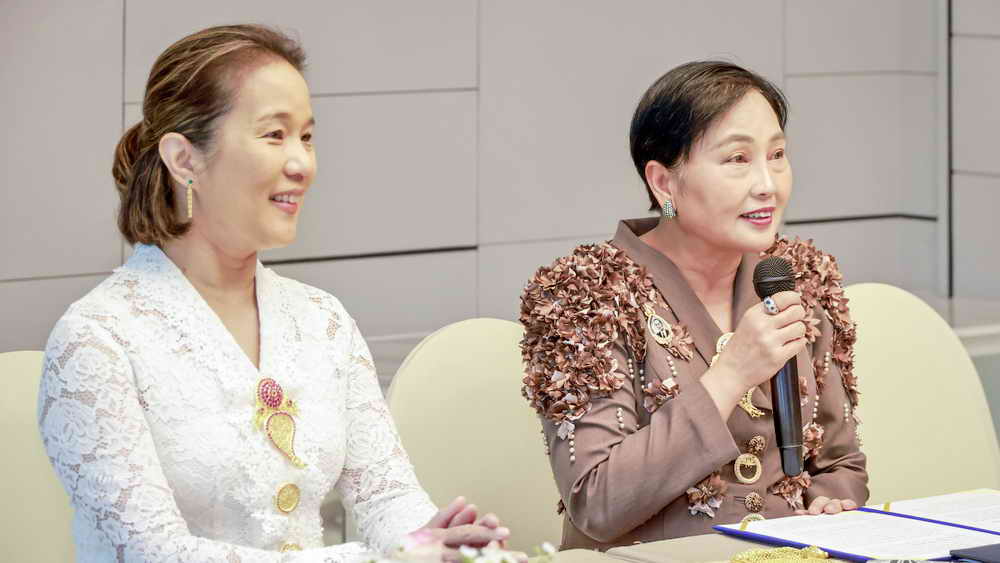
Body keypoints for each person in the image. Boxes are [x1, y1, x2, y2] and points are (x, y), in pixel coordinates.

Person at [38, 24, 509, 562]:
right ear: (184, 159)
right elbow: (155, 553)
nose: (302, 164)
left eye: (306, 137)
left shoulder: (322, 320)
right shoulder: (97, 339)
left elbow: (386, 496)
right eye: (274, 134)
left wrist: (438, 544)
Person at [519, 61, 868, 550]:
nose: (767, 184)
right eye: (737, 159)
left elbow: (839, 462)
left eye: (777, 155)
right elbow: (596, 501)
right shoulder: (586, 294)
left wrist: (832, 501)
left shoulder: (800, 277)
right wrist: (730, 375)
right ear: (664, 183)